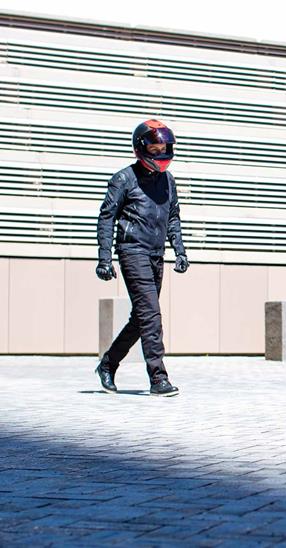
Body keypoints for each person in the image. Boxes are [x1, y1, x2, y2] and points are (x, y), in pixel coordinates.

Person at [94, 119, 189, 397]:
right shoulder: (123, 179)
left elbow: (173, 218)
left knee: (141, 318)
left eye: (165, 147)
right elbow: (106, 218)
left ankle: (108, 365)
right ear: (141, 148)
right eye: (155, 147)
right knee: (151, 315)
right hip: (132, 251)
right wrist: (104, 258)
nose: (161, 153)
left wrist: (180, 250)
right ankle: (158, 378)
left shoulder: (168, 180)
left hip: (156, 254)